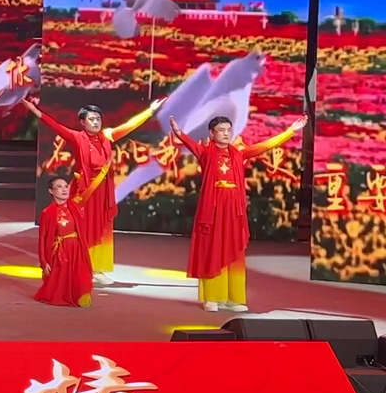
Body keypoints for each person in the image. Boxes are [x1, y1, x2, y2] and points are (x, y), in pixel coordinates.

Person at [165, 114, 307, 312]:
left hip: (234, 211)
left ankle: (234, 298)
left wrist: (290, 131)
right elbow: (188, 142)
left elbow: (264, 146)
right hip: (214, 210)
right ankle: (212, 297)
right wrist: (178, 131)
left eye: (228, 130)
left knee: (234, 252)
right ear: (211, 133)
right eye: (221, 130)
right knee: (213, 250)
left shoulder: (239, 153)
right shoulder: (205, 152)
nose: (226, 134)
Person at [22, 97, 162, 286]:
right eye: (91, 119)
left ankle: (97, 269)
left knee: (102, 228)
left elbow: (128, 126)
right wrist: (36, 111)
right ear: (83, 122)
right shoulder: (77, 137)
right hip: (85, 192)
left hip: (103, 192)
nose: (96, 122)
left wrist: (150, 111)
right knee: (82, 229)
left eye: (98, 119)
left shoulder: (107, 136)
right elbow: (55, 126)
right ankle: (80, 267)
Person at [35, 171, 99, 308]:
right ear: (51, 191)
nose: (64, 190)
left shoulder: (75, 207)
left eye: (66, 186)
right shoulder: (47, 213)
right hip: (60, 252)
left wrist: (101, 173)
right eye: (59, 187)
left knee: (81, 282)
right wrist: (43, 261)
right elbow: (43, 239)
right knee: (58, 286)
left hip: (77, 250)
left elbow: (90, 190)